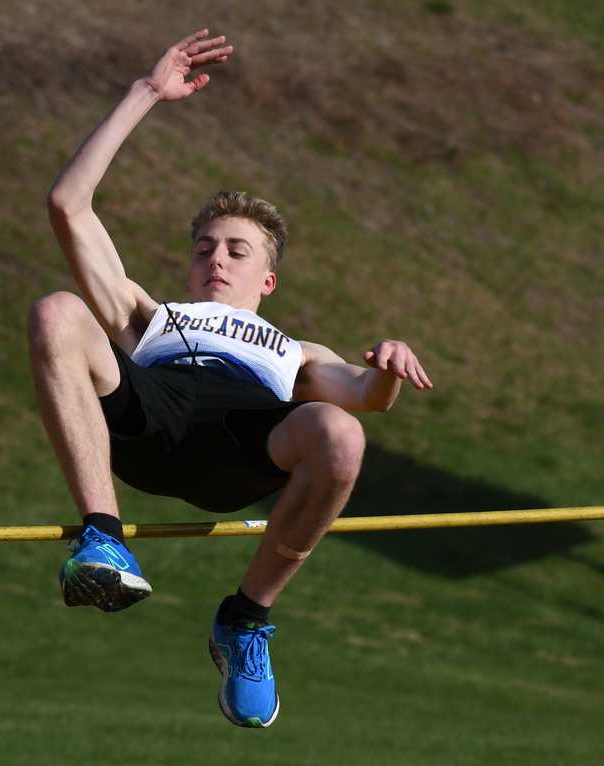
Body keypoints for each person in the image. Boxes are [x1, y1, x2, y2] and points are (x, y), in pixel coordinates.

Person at [29, 29, 432, 728]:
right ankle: (101, 536)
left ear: (267, 278)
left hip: (244, 448)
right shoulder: (147, 316)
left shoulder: (292, 348)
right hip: (151, 422)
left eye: (237, 250)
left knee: (341, 436)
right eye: (205, 247)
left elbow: (366, 398)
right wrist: (147, 93)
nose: (217, 258)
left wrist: (388, 365)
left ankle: (245, 620)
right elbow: (69, 206)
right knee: (58, 310)